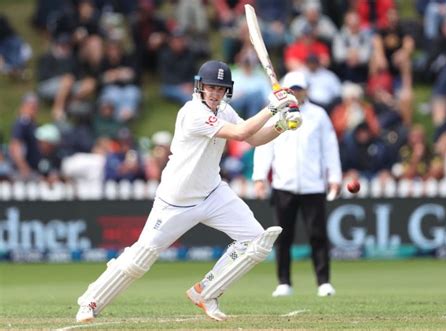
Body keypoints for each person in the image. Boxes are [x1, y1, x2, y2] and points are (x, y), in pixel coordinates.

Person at [75, 60, 302, 322]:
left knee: (256, 242)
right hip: (176, 201)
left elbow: (253, 139)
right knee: (140, 258)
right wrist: (273, 107)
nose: (215, 92)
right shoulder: (192, 112)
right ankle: (90, 301)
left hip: (213, 193)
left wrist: (281, 125)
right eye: (211, 87)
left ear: (227, 90)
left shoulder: (226, 111)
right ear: (200, 86)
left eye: (220, 88)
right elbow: (240, 134)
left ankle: (206, 293)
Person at [252, 71, 342, 298]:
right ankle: (284, 282)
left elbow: (329, 147)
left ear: (307, 90)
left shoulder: (319, 115)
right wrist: (260, 177)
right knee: (284, 237)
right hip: (284, 184)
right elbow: (264, 145)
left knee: (318, 235)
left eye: (300, 88)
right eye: (292, 89)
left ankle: (323, 282)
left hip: (313, 185)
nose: (297, 92)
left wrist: (335, 177)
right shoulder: (276, 114)